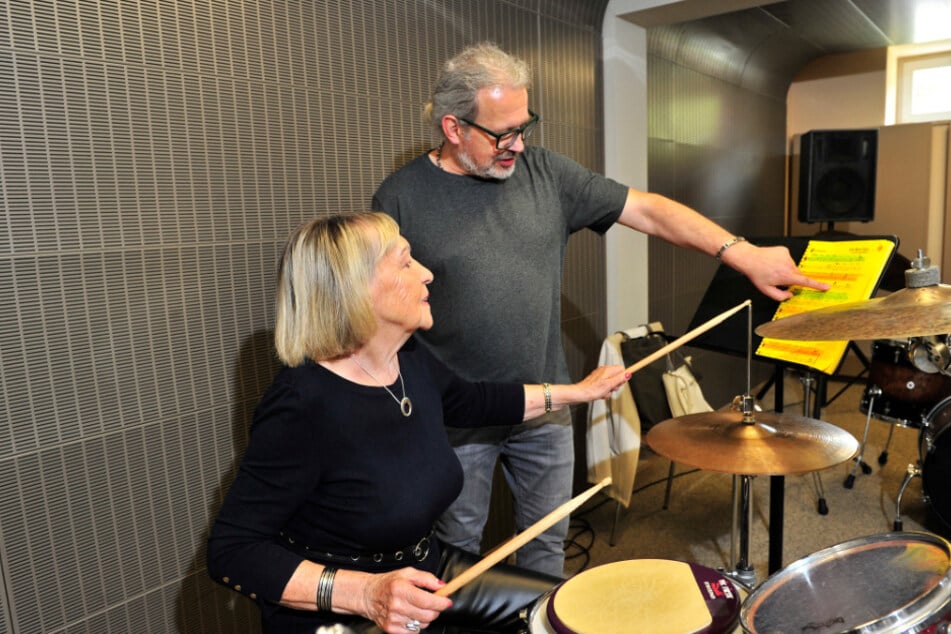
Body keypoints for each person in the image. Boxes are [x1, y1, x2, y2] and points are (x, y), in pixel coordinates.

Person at [371, 42, 830, 577]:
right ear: (453, 129)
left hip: (547, 407)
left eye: (525, 126)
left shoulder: (546, 173)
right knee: (459, 554)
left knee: (546, 552)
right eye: (503, 133)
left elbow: (650, 211)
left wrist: (742, 253)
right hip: (457, 420)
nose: (518, 146)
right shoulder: (400, 198)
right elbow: (381, 314)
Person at [206, 212, 629, 634]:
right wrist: (367, 594)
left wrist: (579, 392)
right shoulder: (302, 405)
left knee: (566, 614)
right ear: (355, 288)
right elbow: (233, 550)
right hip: (341, 612)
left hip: (427, 570)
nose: (427, 274)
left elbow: (474, 400)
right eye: (406, 261)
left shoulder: (408, 360)